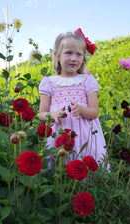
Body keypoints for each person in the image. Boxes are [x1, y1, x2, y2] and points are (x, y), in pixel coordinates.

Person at [38, 28, 108, 168]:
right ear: (57, 55)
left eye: (79, 54)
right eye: (68, 53)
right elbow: (41, 114)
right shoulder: (49, 82)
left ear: (83, 58)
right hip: (59, 133)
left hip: (86, 135)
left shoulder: (88, 81)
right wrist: (52, 114)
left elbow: (94, 112)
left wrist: (82, 110)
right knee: (59, 167)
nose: (74, 58)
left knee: (85, 164)